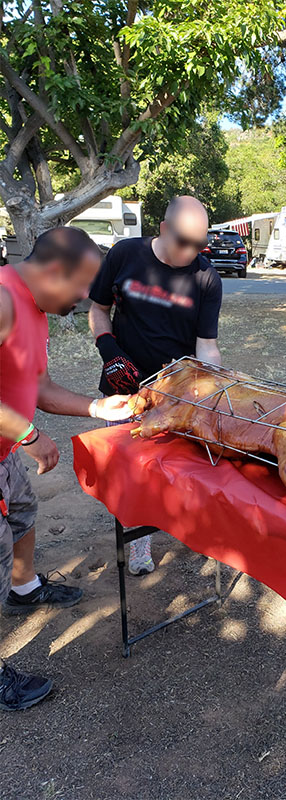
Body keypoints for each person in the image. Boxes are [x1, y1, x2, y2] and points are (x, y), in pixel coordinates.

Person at [0, 226, 131, 710]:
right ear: (54, 270)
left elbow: (39, 388)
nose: (84, 298)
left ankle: (24, 589)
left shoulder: (35, 309)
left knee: (22, 514)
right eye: (80, 288)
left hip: (4, 451)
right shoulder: (3, 299)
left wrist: (99, 409)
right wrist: (28, 435)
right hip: (11, 442)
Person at [88, 196, 222, 575]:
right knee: (131, 475)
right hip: (122, 388)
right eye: (186, 243)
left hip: (175, 393)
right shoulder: (124, 255)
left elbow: (207, 346)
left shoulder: (205, 277)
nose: (193, 252)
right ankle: (140, 547)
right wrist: (108, 349)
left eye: (201, 244)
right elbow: (98, 310)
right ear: (164, 229)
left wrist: (217, 388)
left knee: (182, 470)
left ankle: (196, 532)